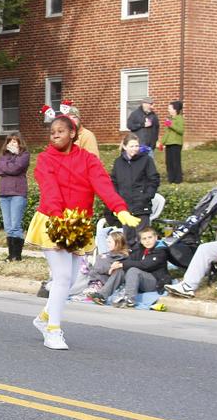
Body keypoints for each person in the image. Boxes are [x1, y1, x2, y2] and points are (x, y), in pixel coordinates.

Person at [27, 114, 139, 350]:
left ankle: (44, 318)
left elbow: (103, 185)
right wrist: (59, 223)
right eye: (52, 131)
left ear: (73, 133)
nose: (55, 134)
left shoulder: (88, 159)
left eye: (61, 130)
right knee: (62, 277)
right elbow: (50, 190)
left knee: (76, 280)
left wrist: (120, 210)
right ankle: (53, 331)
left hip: (79, 224)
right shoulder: (45, 159)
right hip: (53, 221)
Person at [108, 133, 160, 248]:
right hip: (125, 207)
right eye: (131, 146)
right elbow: (114, 182)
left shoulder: (146, 160)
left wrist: (147, 196)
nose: (135, 149)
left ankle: (143, 262)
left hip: (141, 205)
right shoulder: (118, 162)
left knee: (142, 238)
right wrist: (117, 199)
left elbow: (154, 179)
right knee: (128, 239)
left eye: (136, 146)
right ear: (125, 147)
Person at [0, 132, 30, 262]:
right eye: (10, 141)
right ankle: (10, 255)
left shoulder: (24, 155)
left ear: (20, 143)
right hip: (4, 193)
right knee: (8, 227)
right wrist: (7, 165)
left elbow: (15, 169)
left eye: (15, 141)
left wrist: (6, 165)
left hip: (18, 193)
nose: (12, 143)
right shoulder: (4, 156)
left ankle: (17, 255)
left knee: (15, 225)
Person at [86, 230, 131, 303]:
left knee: (116, 269)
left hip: (113, 279)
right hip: (101, 277)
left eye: (110, 242)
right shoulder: (106, 254)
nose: (107, 244)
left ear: (117, 243)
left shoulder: (124, 256)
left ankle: (101, 294)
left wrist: (109, 268)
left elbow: (113, 268)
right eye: (107, 242)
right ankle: (95, 288)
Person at [159, 101, 185, 183]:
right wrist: (162, 143)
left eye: (170, 108)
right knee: (168, 162)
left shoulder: (179, 118)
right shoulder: (170, 119)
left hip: (176, 143)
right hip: (169, 144)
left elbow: (181, 130)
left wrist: (171, 125)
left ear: (175, 109)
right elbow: (167, 133)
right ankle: (171, 179)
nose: (168, 110)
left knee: (175, 162)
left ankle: (178, 180)